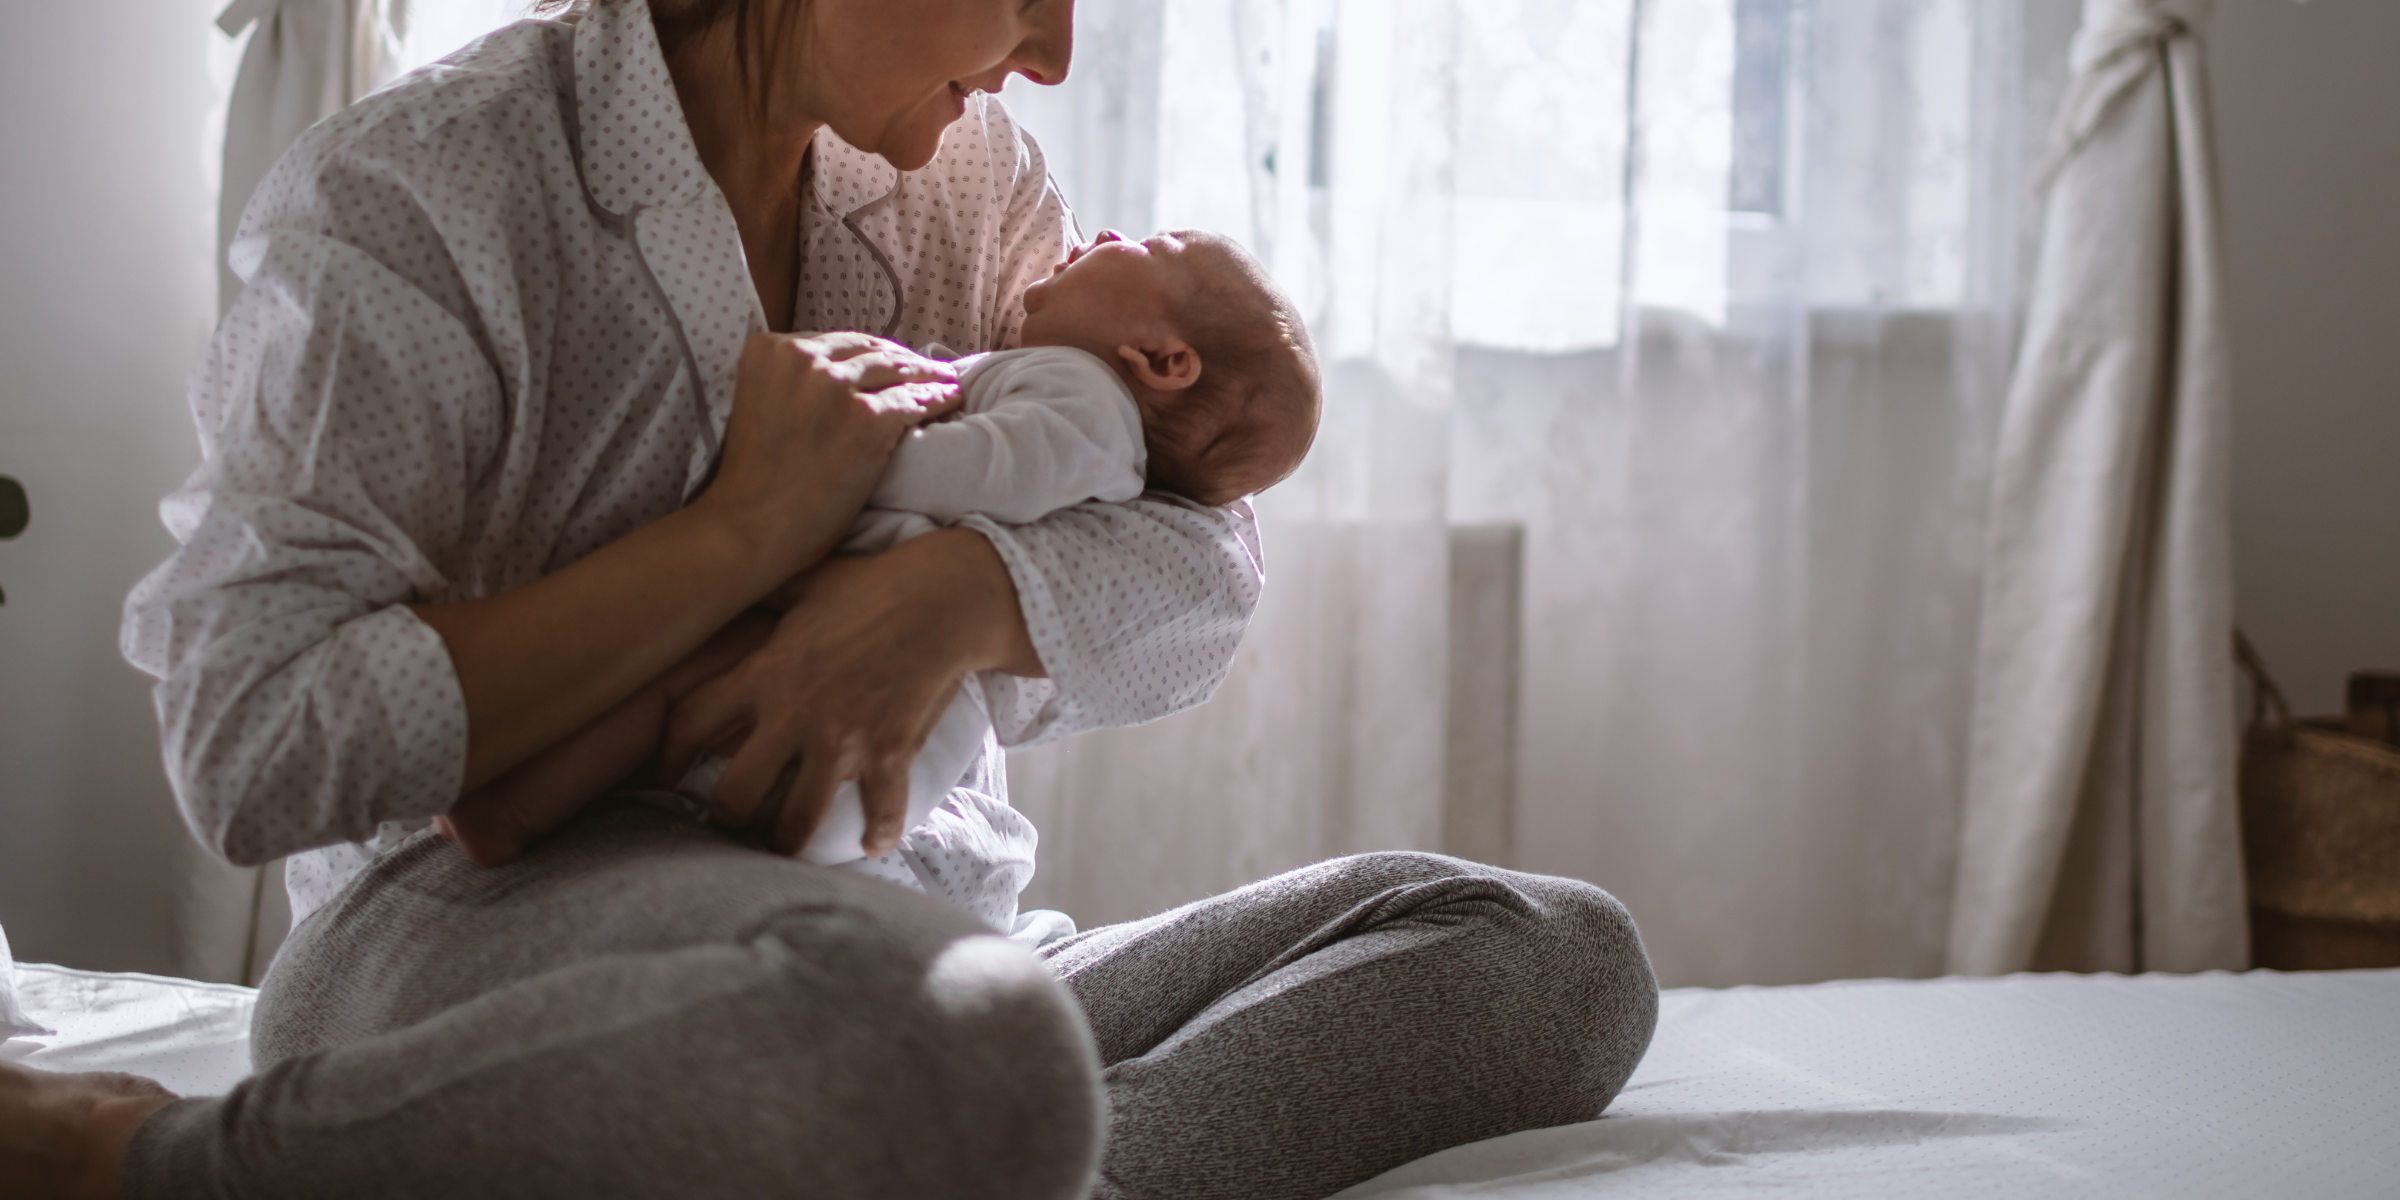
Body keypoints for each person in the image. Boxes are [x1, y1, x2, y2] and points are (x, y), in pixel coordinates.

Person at [0, 2, 1659, 1199]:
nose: (1059, 50)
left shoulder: (970, 181)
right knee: (953, 1046)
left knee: (1553, 953)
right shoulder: (423, 195)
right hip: (477, 934)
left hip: (917, 938)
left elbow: (1201, 548)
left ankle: (980, 1150)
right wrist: (736, 538)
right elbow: (252, 740)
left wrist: (951, 594)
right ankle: (152, 1163)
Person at [438, 228, 1323, 919]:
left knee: (671, 689)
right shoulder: (1078, 377)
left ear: (1165, 360)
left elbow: (1004, 475)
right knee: (673, 697)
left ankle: (518, 810)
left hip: (870, 747)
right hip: (864, 815)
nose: (1105, 235)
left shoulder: (1084, 395)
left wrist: (845, 479)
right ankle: (518, 816)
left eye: (1151, 245)